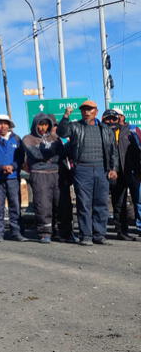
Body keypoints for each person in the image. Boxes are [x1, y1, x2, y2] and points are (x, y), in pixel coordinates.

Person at [57, 101, 118, 246]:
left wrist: (113, 169)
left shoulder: (105, 129)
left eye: (89, 109)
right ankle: (86, 235)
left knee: (101, 203)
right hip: (82, 169)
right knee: (84, 203)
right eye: (84, 109)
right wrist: (66, 116)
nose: (86, 112)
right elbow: (61, 132)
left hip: (101, 169)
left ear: (96, 111)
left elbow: (113, 151)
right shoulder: (75, 126)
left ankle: (99, 235)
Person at [23, 113, 64, 243]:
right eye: (40, 124)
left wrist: (50, 155)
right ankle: (44, 232)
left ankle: (57, 230)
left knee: (58, 203)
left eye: (45, 124)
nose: (43, 127)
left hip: (55, 173)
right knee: (42, 204)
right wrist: (50, 154)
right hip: (39, 174)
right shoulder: (28, 139)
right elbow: (37, 154)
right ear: (35, 124)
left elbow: (61, 154)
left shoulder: (55, 138)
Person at [0, 114, 25, 242]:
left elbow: (20, 158)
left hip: (13, 177)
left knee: (15, 205)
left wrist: (12, 166)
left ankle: (17, 232)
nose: (3, 126)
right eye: (0, 123)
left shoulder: (17, 139)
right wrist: (2, 167)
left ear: (9, 125)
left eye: (5, 123)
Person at [102, 109, 138, 241]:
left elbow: (134, 152)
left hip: (122, 173)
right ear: (103, 120)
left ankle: (122, 231)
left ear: (119, 119)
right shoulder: (100, 132)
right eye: (108, 119)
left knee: (120, 204)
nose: (111, 121)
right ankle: (97, 232)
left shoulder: (127, 132)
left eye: (114, 119)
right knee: (99, 203)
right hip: (103, 172)